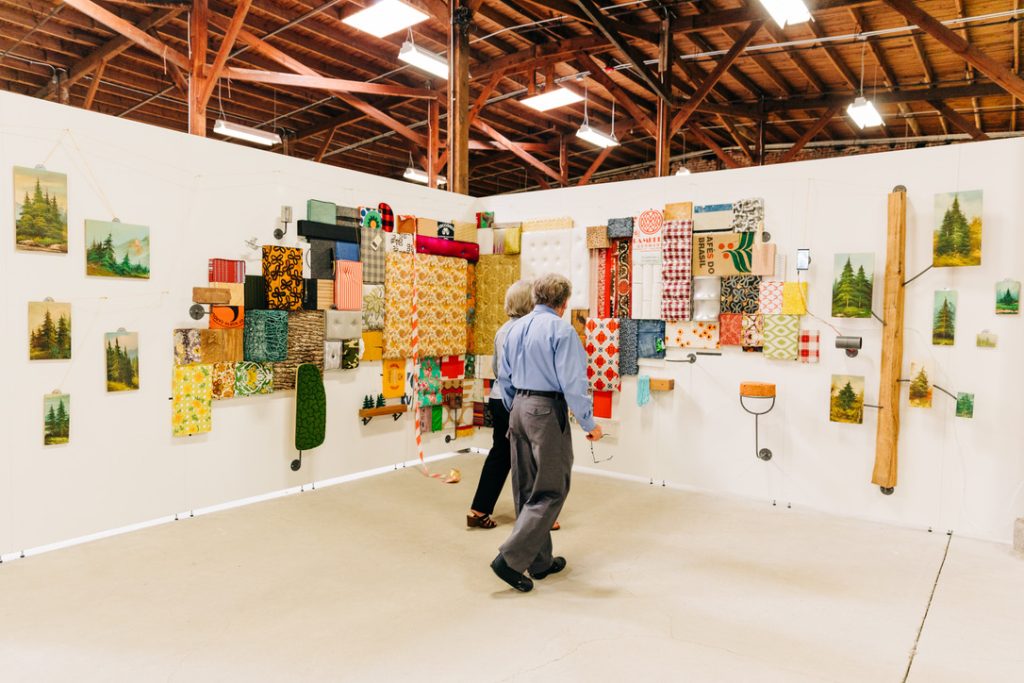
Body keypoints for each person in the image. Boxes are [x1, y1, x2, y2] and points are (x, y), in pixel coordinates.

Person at [490, 273, 603, 593]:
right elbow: (574, 383)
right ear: (564, 303)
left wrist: (517, 408)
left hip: (518, 409)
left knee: (526, 488)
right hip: (544, 410)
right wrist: (588, 422)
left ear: (536, 298)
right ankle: (509, 559)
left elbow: (505, 375)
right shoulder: (562, 331)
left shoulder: (514, 328)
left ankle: (539, 562)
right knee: (553, 488)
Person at [466, 280, 533, 529]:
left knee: (500, 455)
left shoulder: (502, 329)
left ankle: (479, 509)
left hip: (497, 397)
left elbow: (496, 368)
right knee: (528, 457)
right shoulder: (529, 330)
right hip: (519, 400)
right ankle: (533, 516)